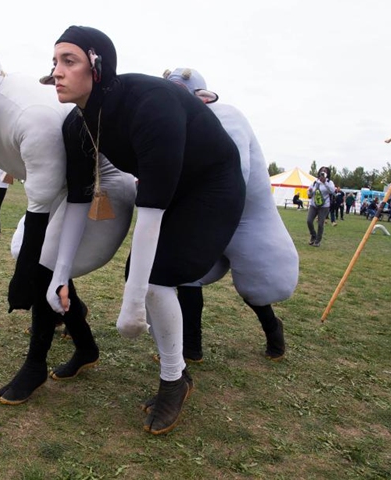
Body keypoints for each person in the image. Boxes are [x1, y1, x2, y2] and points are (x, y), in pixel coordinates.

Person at [43, 26, 245, 435]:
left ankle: (175, 378)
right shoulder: (77, 124)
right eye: (55, 62)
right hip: (170, 191)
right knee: (147, 275)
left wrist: (132, 304)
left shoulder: (148, 103)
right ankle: (177, 372)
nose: (56, 72)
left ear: (97, 67)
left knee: (154, 278)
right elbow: (80, 202)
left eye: (69, 61)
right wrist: (59, 275)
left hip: (211, 186)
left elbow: (149, 213)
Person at [0, 37, 136, 405]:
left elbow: (41, 204)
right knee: (31, 258)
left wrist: (23, 279)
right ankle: (86, 346)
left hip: (99, 190)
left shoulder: (26, 111)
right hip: (62, 194)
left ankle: (35, 365)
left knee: (42, 267)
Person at [162, 67, 297, 363]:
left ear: (203, 98)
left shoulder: (226, 116)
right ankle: (191, 347)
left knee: (256, 288)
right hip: (206, 217)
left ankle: (273, 328)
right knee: (187, 276)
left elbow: (236, 175)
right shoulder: (179, 126)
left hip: (243, 219)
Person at [307, 167, 336, 247]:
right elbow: (310, 194)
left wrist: (325, 182)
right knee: (309, 221)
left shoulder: (329, 182)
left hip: (324, 206)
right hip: (314, 205)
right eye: (321, 171)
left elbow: (332, 191)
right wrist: (309, 192)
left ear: (327, 173)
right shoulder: (315, 182)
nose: (323, 172)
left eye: (325, 171)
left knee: (320, 224)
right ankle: (313, 235)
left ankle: (317, 241)